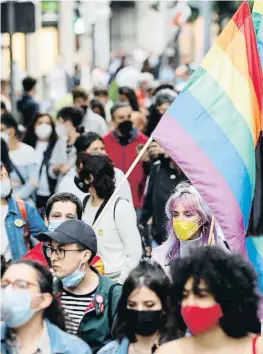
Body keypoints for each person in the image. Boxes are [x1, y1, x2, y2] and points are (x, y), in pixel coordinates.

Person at [35, 219, 122, 353]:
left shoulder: (114, 296)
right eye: (51, 250)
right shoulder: (49, 292)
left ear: (85, 255)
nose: (53, 258)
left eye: (61, 250)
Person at [156, 246, 263, 354]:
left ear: (228, 300)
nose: (190, 303)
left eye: (201, 295)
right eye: (185, 296)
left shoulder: (258, 348)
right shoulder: (168, 351)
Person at [1, 260, 92, 353]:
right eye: (4, 285)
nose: (9, 292)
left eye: (21, 285)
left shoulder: (75, 350)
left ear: (44, 300)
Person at [77, 154, 143, 284]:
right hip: (89, 278)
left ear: (90, 178)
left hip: (114, 278)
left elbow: (134, 253)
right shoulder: (85, 204)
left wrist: (120, 283)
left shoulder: (120, 207)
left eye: (81, 173)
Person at [98, 260, 177, 354]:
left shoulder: (183, 349)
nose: (140, 310)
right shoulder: (109, 352)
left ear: (164, 307)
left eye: (149, 305)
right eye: (132, 305)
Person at [152, 182, 229, 273]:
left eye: (188, 215)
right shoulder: (160, 256)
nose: (180, 220)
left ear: (202, 219)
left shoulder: (221, 255)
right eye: (175, 215)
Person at [23, 192, 104, 274]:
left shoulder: (92, 262)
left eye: (70, 217)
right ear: (46, 220)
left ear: (79, 223)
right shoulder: (29, 262)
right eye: (56, 216)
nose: (63, 222)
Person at [58, 132, 133, 204]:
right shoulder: (68, 182)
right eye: (95, 150)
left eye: (102, 148)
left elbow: (126, 203)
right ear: (82, 155)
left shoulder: (117, 174)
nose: (101, 153)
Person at [139, 143, 187, 246]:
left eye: (163, 146)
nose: (159, 149)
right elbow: (149, 202)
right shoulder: (157, 168)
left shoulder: (189, 172)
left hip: (184, 236)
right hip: (160, 237)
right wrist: (141, 225)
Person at [103, 102, 148, 211]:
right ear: (113, 121)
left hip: (137, 203)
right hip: (111, 203)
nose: (126, 120)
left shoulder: (144, 142)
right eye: (121, 118)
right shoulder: (104, 143)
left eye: (128, 116)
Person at [0, 163, 46, 261]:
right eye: (0, 176)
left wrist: (34, 259)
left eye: (6, 176)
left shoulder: (22, 208)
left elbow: (46, 236)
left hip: (16, 270)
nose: (5, 181)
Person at [23, 113, 58, 214]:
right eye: (40, 123)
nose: (44, 126)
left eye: (47, 123)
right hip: (31, 196)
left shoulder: (57, 146)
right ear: (34, 125)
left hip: (52, 194)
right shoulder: (27, 147)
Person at [0, 113, 38, 203]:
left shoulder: (28, 151)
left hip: (22, 203)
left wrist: (15, 198)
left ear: (12, 130)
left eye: (1, 129)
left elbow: (33, 182)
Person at [49, 106, 83, 185]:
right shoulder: (61, 141)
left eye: (60, 121)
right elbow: (52, 164)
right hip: (61, 186)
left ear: (69, 122)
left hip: (79, 187)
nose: (59, 125)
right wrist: (55, 168)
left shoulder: (83, 140)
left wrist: (70, 167)